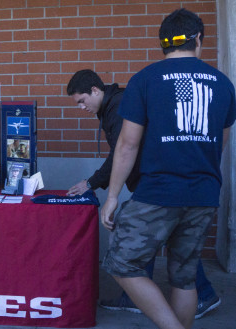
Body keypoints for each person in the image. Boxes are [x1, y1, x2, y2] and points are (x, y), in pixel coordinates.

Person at [101, 8, 235, 329]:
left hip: (157, 193)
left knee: (121, 263)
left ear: (163, 42)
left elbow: (128, 145)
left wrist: (112, 196)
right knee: (184, 275)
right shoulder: (222, 83)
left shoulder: (145, 79)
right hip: (203, 193)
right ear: (198, 38)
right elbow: (220, 142)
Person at [66, 69, 220, 319]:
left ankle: (201, 294)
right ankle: (195, 294)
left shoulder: (117, 106)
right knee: (173, 245)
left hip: (156, 185)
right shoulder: (113, 104)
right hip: (165, 183)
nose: (81, 107)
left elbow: (123, 150)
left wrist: (93, 183)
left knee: (133, 243)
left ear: (95, 90)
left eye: (82, 101)